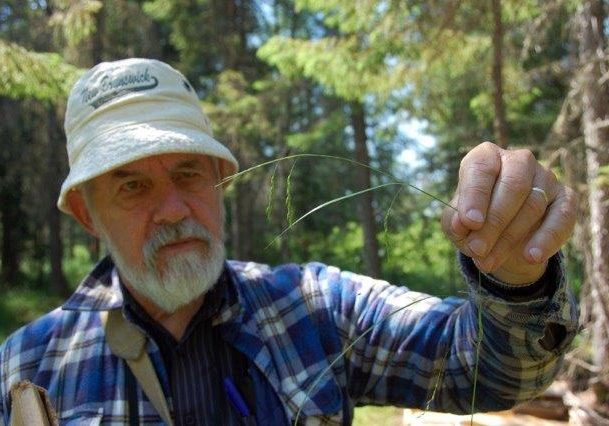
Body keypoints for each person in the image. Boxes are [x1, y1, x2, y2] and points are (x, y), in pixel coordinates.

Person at [0, 58, 578, 426]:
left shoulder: (315, 307)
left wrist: (515, 277)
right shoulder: (26, 366)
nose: (174, 208)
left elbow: (486, 370)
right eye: (132, 185)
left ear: (218, 177)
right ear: (85, 212)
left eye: (188, 173)